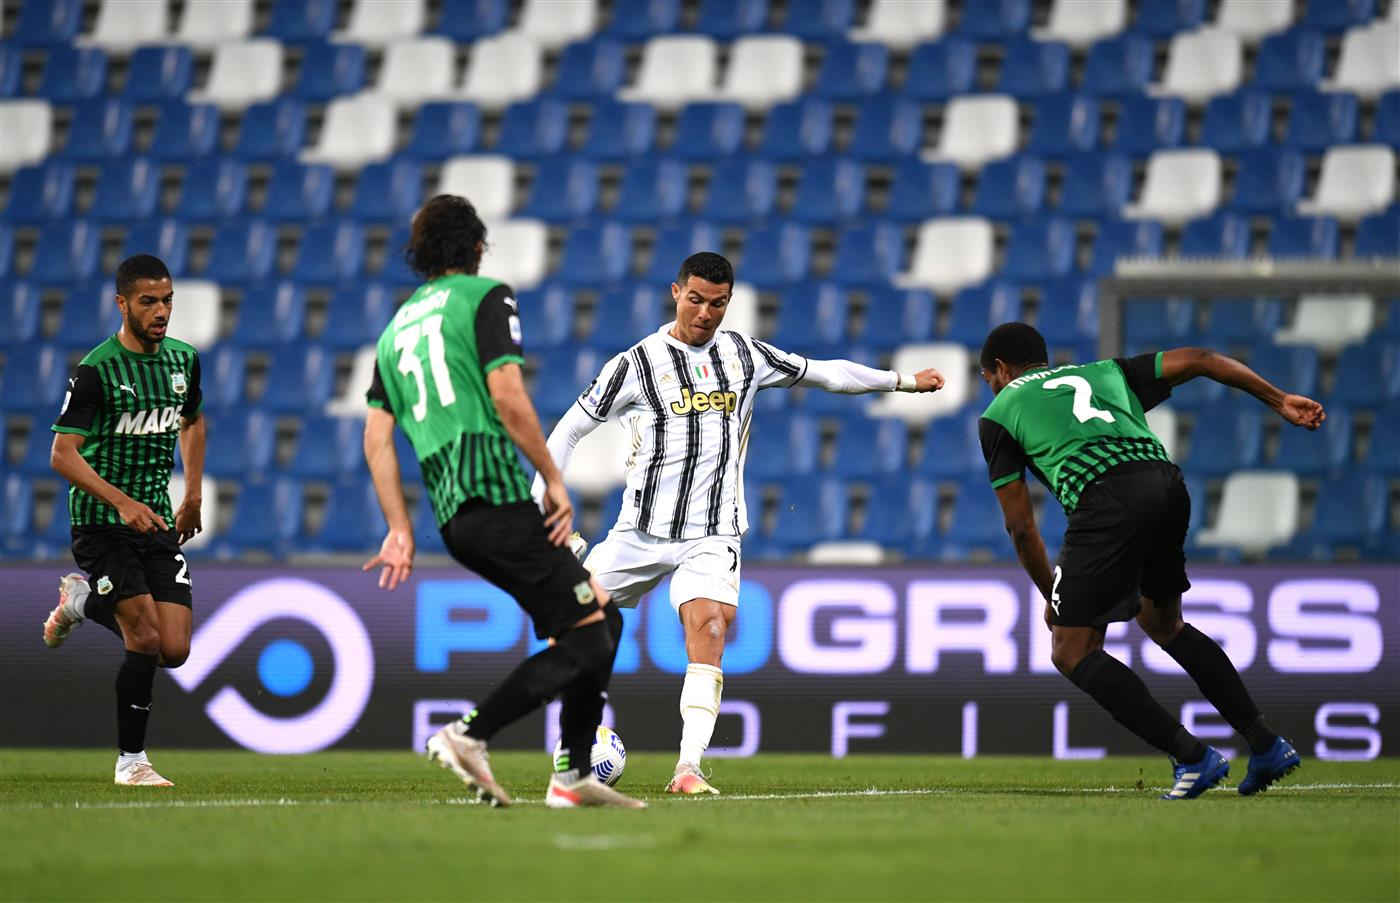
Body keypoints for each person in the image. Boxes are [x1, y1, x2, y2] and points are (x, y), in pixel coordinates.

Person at [537, 252, 944, 794]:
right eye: (696, 299)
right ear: (676, 293)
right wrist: (542, 503)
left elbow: (826, 373)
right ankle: (581, 733)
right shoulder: (635, 365)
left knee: (710, 627)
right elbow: (566, 432)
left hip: (712, 531)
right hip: (638, 531)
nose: (706, 313)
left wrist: (903, 381)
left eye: (718, 303)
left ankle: (688, 767)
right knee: (568, 626)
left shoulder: (745, 355)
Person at [362, 194, 643, 809]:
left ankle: (573, 777)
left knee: (602, 617)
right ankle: (470, 734)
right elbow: (508, 394)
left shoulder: (395, 329)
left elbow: (376, 438)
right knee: (589, 638)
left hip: (453, 513)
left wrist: (399, 528)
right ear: (477, 247)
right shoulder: (486, 296)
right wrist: (552, 478)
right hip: (494, 493)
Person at [976, 322, 1322, 799]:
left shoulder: (999, 413)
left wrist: (1051, 597)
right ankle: (1264, 744)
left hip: (1106, 497)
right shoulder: (1107, 372)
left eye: (989, 380)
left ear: (1000, 369)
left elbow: (1020, 527)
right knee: (1164, 623)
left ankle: (1191, 756)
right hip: (1166, 484)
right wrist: (1278, 399)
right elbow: (1201, 358)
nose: (992, 389)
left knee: (1071, 651)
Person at [42, 254, 206, 787]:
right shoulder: (96, 370)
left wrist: (192, 495)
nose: (161, 311)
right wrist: (120, 503)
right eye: (148, 301)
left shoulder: (184, 361)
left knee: (174, 649)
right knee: (144, 635)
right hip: (102, 523)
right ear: (123, 304)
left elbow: (193, 421)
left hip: (155, 521)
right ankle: (131, 762)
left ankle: (80, 602)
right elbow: (62, 454)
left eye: (167, 300)